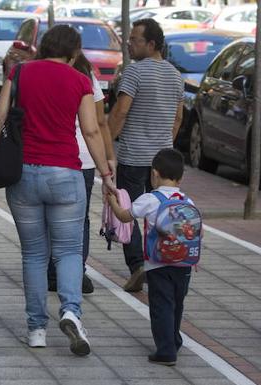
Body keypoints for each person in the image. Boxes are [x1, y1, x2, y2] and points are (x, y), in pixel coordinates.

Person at [0, 25, 116, 354]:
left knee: (34, 254)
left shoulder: (20, 71)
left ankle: (36, 329)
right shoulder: (80, 80)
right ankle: (71, 311)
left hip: (24, 173)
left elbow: (0, 114)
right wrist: (105, 172)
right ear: (73, 52)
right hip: (66, 175)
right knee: (69, 252)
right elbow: (90, 129)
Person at [108, 18, 184, 293]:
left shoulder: (134, 72)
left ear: (151, 44)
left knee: (128, 210)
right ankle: (161, 263)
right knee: (160, 213)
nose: (128, 43)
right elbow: (178, 118)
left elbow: (121, 111)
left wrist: (107, 143)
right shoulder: (175, 75)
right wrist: (164, 142)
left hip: (132, 157)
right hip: (161, 159)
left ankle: (137, 265)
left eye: (134, 40)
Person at [106, 148, 195, 366]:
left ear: (154, 174)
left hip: (158, 263)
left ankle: (166, 351)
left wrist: (113, 202)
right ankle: (174, 338)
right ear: (181, 177)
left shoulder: (150, 199)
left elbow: (125, 217)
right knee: (177, 303)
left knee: (161, 304)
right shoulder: (187, 201)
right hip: (184, 263)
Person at [47, 53, 116, 295]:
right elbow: (99, 122)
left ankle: (51, 270)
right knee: (79, 219)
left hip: (50, 155)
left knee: (49, 214)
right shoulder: (86, 78)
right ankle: (77, 271)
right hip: (84, 159)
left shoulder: (42, 75)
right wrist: (108, 160)